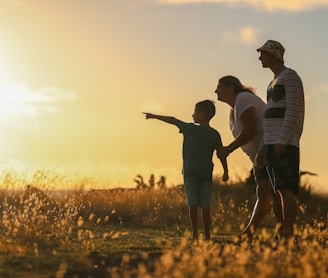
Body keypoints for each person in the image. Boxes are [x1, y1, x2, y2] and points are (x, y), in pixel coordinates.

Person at [143, 100, 229, 241]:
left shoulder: (190, 128)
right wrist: (226, 171)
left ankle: (195, 234)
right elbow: (221, 154)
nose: (193, 114)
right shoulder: (214, 134)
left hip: (190, 173)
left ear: (202, 114)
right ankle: (207, 236)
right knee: (205, 206)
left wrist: (154, 116)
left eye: (195, 111)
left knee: (192, 204)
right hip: (206, 173)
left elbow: (173, 120)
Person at [215, 75, 282, 241]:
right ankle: (260, 233)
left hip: (270, 148)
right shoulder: (235, 108)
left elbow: (251, 129)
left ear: (231, 87)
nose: (216, 91)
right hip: (259, 155)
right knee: (265, 192)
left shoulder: (243, 99)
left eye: (220, 87)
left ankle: (283, 234)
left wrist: (229, 148)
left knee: (275, 192)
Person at [256, 40, 305, 240]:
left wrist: (283, 140)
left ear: (273, 55)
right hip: (270, 143)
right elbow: (269, 118)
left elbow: (294, 110)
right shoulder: (272, 82)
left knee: (286, 189)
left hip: (283, 144)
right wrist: (262, 147)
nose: (260, 57)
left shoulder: (290, 77)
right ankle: (280, 232)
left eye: (263, 53)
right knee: (276, 191)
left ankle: (289, 235)